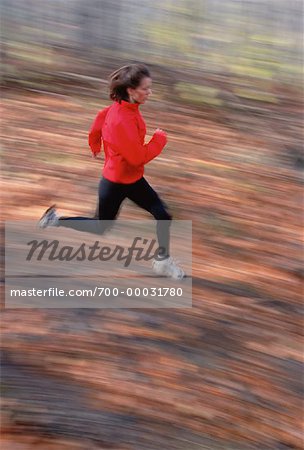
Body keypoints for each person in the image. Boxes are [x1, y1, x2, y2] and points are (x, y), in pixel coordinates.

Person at [39, 63, 185, 280]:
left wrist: (94, 144)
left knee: (163, 215)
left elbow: (99, 120)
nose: (149, 92)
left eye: (149, 87)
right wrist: (159, 140)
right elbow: (137, 157)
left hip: (132, 179)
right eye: (145, 88)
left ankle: (162, 261)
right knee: (100, 227)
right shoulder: (121, 120)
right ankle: (55, 219)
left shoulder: (121, 108)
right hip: (115, 183)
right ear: (131, 91)